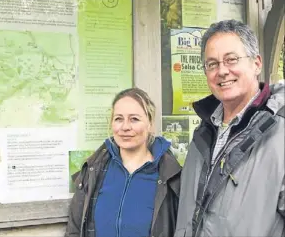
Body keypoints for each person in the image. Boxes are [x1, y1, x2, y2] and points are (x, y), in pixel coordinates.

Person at [174, 19, 285, 237]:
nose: (222, 71)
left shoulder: (279, 131)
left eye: (231, 59)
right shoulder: (202, 135)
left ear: (256, 63)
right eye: (212, 64)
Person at [65, 88, 182, 237]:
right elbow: (74, 231)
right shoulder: (94, 171)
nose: (125, 127)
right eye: (119, 119)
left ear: (150, 124)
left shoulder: (171, 176)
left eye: (134, 119)